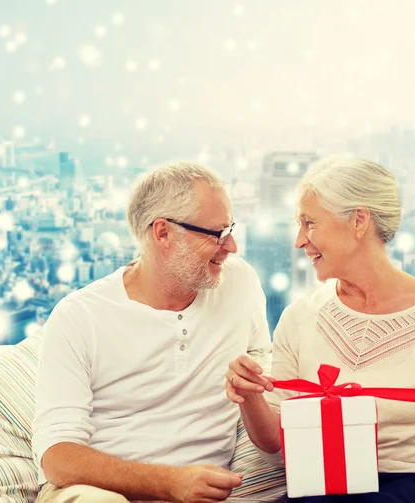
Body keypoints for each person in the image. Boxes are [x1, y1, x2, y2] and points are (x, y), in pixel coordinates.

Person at [225, 155, 415, 503]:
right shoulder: (300, 317)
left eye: (310, 223)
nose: (299, 240)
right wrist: (249, 396)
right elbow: (276, 448)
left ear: (358, 221)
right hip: (327, 487)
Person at [33, 161, 271, 503]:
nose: (231, 246)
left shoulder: (239, 283)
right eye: (217, 233)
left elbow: (265, 391)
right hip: (98, 492)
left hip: (203, 493)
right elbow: (57, 458)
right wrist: (169, 482)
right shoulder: (79, 316)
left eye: (230, 229)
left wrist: (251, 389)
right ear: (163, 233)